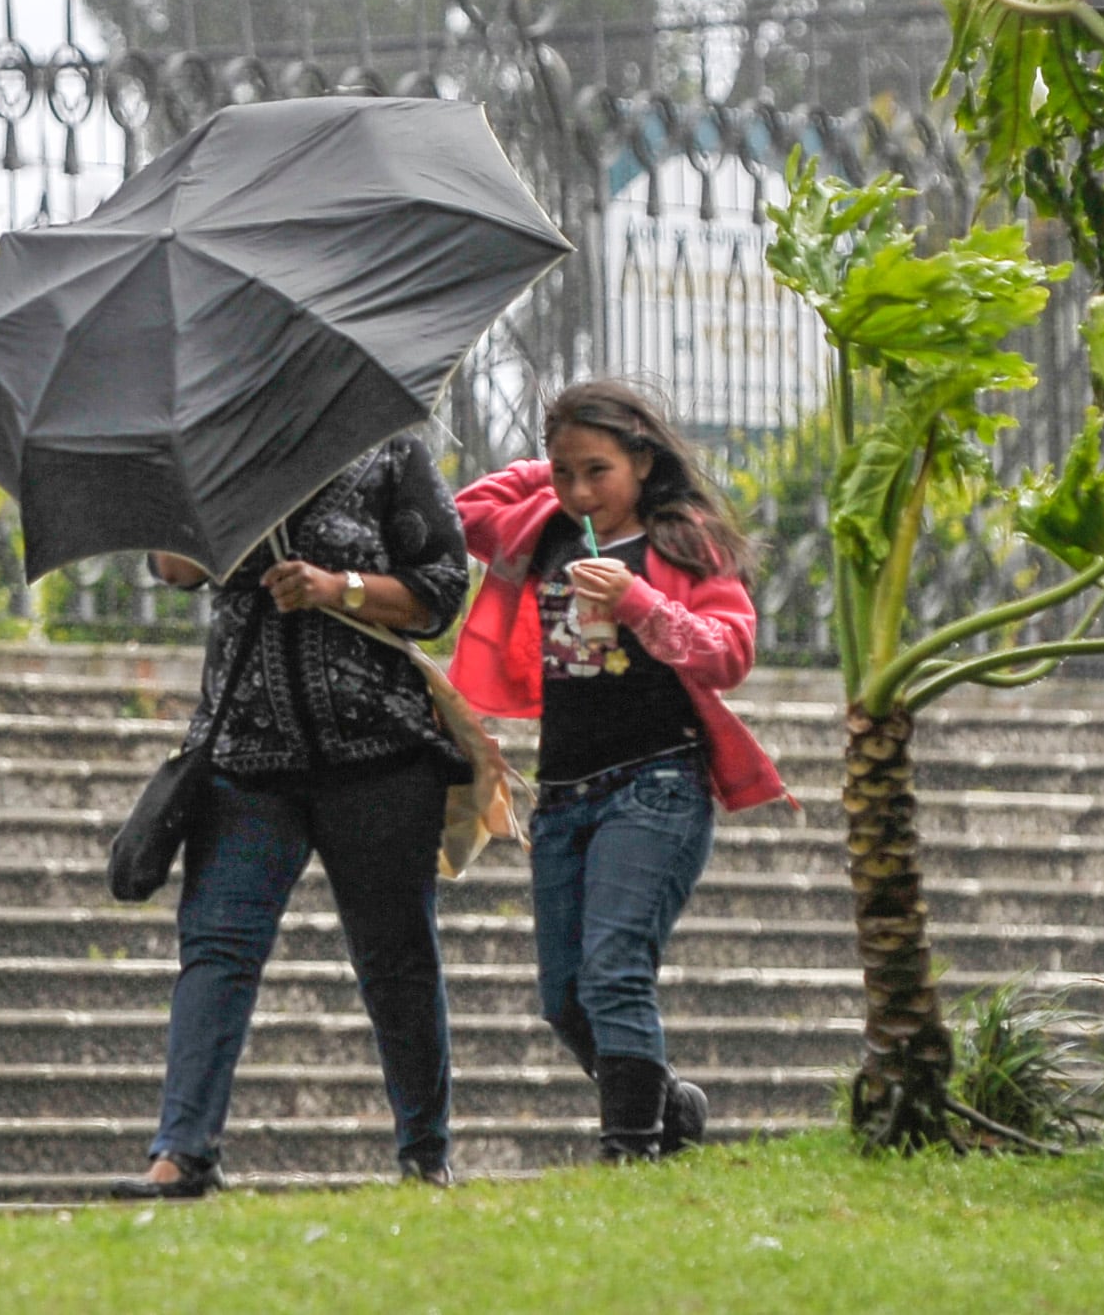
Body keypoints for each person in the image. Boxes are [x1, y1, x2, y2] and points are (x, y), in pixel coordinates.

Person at [110, 432, 473, 1198]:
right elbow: (174, 569)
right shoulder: (214, 452)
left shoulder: (387, 457)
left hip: (380, 757)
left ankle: (424, 1153)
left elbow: (439, 593)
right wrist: (199, 487)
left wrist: (337, 587)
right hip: (244, 759)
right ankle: (182, 1152)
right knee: (216, 948)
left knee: (395, 958)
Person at [448, 379, 790, 1162]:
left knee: (613, 972)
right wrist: (545, 472)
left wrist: (638, 601)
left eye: (596, 471)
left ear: (643, 459)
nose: (578, 492)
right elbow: (462, 514)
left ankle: (629, 1150)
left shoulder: (684, 540)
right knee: (563, 997)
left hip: (655, 783)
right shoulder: (544, 528)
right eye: (563, 472)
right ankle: (666, 1105)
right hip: (562, 794)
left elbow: (728, 654)